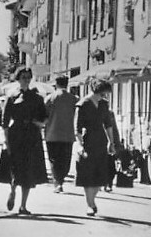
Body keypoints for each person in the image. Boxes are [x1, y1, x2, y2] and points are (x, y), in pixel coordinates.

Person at [2, 67, 47, 215]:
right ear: (18, 78)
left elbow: (45, 117)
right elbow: (5, 121)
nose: (26, 79)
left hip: (32, 135)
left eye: (28, 77)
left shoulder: (37, 97)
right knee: (15, 166)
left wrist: (39, 123)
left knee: (29, 170)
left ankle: (23, 205)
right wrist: (6, 141)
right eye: (23, 77)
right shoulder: (12, 96)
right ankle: (13, 190)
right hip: (17, 134)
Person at [75, 80, 114, 216]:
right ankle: (90, 204)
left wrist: (111, 142)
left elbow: (108, 124)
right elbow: (77, 128)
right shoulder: (83, 104)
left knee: (100, 174)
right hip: (87, 141)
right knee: (88, 174)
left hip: (101, 141)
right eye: (106, 92)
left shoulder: (104, 104)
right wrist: (80, 145)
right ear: (100, 91)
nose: (107, 95)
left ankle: (92, 200)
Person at [44, 76, 77, 193]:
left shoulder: (49, 98)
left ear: (56, 84)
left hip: (52, 133)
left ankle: (57, 182)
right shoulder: (74, 99)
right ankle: (61, 180)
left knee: (53, 159)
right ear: (67, 84)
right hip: (67, 134)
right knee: (65, 159)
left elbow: (44, 115)